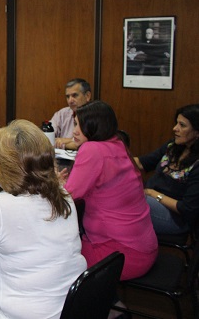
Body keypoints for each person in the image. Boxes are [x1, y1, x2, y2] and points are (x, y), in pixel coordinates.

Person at [0, 119, 86, 319]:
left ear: (7, 169)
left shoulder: (1, 206)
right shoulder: (63, 195)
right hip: (68, 309)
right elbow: (28, 229)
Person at [65, 101, 157, 280]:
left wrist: (53, 184)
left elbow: (68, 196)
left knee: (55, 256)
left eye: (80, 125)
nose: (74, 131)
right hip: (143, 249)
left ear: (95, 126)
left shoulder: (92, 149)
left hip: (120, 256)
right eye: (75, 124)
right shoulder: (117, 142)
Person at [139, 104, 199, 235]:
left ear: (197, 132)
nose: (175, 128)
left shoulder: (197, 164)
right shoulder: (172, 146)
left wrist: (153, 194)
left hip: (176, 218)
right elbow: (143, 162)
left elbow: (187, 208)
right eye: (176, 123)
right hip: (150, 201)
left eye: (182, 125)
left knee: (132, 202)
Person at [50, 78, 92, 150]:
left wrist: (63, 142)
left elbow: (89, 144)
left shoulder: (96, 116)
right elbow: (46, 137)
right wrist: (70, 141)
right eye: (67, 96)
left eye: (74, 95)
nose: (70, 101)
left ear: (87, 96)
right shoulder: (61, 114)